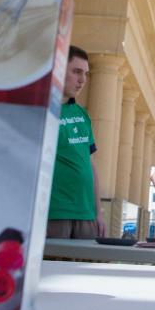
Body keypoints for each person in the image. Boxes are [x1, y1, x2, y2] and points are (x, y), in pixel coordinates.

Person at [47, 45, 106, 239]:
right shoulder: (43, 111)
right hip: (54, 213)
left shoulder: (82, 115)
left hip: (87, 215)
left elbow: (89, 164)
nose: (82, 80)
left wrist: (99, 212)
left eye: (86, 74)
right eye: (77, 72)